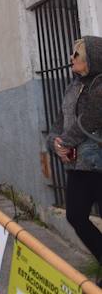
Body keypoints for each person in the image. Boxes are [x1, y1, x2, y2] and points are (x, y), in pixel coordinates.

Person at [48, 37, 102, 275]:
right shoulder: (73, 86)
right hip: (77, 166)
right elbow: (60, 121)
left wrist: (65, 141)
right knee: (76, 216)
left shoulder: (99, 85)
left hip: (98, 164)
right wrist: (54, 142)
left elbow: (91, 119)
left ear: (91, 58)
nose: (71, 58)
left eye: (76, 55)